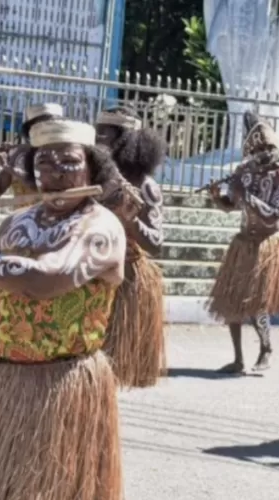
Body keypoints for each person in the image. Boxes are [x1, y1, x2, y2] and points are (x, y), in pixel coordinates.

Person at [0, 119, 139, 499]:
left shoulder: (100, 226)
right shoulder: (14, 222)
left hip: (57, 387)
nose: (55, 172)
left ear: (92, 168)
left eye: (69, 161)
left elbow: (46, 279)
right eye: (43, 162)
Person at [206, 111, 279, 373]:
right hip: (243, 242)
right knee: (232, 301)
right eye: (259, 147)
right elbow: (230, 206)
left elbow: (273, 214)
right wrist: (217, 197)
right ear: (251, 149)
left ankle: (265, 347)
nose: (264, 152)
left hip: (268, 243)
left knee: (258, 302)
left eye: (268, 147)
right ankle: (238, 358)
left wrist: (248, 196)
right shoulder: (242, 171)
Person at [95, 106, 167, 388]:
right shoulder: (90, 178)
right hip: (90, 274)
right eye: (97, 133)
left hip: (126, 278)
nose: (100, 141)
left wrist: (130, 219)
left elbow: (156, 243)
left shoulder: (145, 186)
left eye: (107, 135)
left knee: (112, 370)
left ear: (126, 140)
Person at [0, 103, 64, 203]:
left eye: (49, 127)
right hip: (22, 217)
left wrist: (10, 169)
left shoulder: (65, 155)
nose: (44, 131)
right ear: (30, 129)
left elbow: (46, 191)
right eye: (38, 127)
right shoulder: (19, 154)